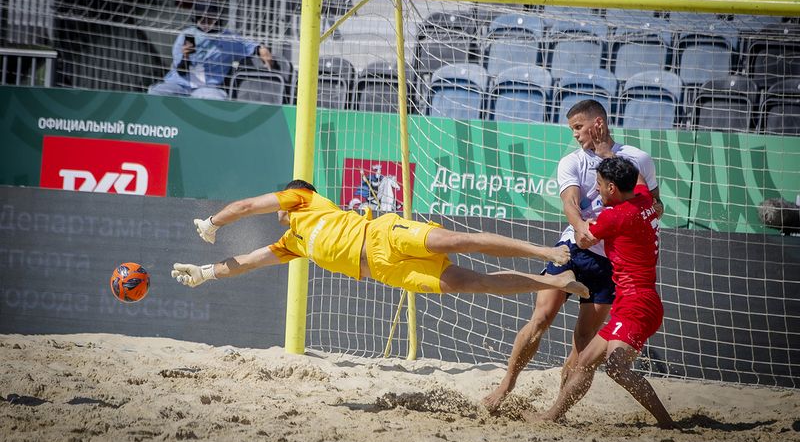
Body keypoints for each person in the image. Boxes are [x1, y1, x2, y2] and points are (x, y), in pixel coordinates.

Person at [483, 99, 662, 413]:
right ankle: (506, 384)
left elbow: (655, 204)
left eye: (578, 127)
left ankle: (556, 411)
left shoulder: (638, 159)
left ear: (598, 124)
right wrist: (581, 228)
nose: (576, 135)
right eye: (572, 130)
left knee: (583, 342)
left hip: (609, 263)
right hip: (573, 249)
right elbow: (570, 202)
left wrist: (631, 223)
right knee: (540, 318)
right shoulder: (572, 161)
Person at [171, 179, 590, 298]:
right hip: (386, 271)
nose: (275, 209)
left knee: (462, 240)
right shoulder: (292, 243)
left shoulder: (303, 199)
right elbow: (245, 261)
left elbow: (244, 206)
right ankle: (552, 281)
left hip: (385, 234)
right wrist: (206, 272)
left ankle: (545, 251)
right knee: (473, 283)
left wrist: (212, 223)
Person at [534, 156, 674, 429]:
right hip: (633, 301)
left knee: (616, 368)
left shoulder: (615, 217)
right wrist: (608, 151)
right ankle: (552, 416)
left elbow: (583, 237)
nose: (595, 190)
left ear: (612, 188)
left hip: (637, 306)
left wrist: (573, 209)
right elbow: (641, 178)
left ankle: (668, 423)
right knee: (585, 360)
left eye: (598, 184)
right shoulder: (644, 200)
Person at [148, 1, 273, 100]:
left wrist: (261, 49)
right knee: (156, 92)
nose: (206, 22)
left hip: (207, 88)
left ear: (217, 19)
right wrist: (185, 56)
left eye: (210, 18)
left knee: (216, 99)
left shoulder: (229, 39)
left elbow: (250, 46)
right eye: (201, 18)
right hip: (179, 84)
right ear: (195, 19)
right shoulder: (187, 35)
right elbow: (181, 71)